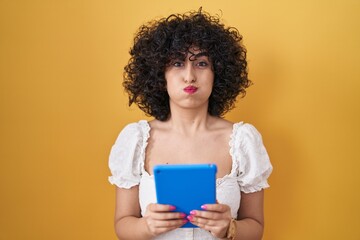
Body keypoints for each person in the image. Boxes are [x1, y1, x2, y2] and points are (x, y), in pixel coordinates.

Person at [108, 8, 273, 240]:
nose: (189, 76)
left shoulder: (243, 140)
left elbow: (256, 227)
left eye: (202, 63)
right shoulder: (135, 140)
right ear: (159, 74)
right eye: (177, 63)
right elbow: (122, 225)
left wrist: (230, 228)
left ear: (219, 73)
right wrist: (146, 227)